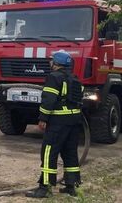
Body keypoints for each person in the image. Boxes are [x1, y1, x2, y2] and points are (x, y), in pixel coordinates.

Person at [25, 50, 83, 198]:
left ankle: (44, 188)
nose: (50, 62)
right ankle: (71, 186)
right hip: (74, 121)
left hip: (58, 122)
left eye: (51, 60)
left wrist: (43, 118)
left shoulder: (53, 77)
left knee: (48, 153)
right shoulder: (75, 78)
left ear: (56, 63)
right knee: (70, 152)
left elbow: (49, 99)